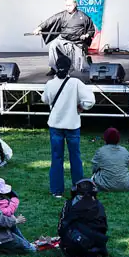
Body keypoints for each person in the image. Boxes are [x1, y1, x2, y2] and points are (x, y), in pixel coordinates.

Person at [42, 50, 95, 198]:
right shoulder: (76, 83)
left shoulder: (50, 83)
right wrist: (82, 107)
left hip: (55, 125)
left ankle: (56, 190)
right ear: (70, 67)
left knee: (56, 158)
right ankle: (79, 188)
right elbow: (90, 100)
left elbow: (44, 99)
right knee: (75, 158)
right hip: (72, 125)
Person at [33, 0, 95, 73]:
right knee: (54, 45)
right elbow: (51, 20)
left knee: (81, 68)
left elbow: (91, 30)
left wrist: (86, 35)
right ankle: (54, 68)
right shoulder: (63, 15)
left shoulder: (83, 16)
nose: (68, 7)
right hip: (63, 40)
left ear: (75, 4)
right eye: (66, 5)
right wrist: (39, 28)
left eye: (70, 5)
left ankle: (87, 61)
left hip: (77, 42)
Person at [58, 179, 109, 257]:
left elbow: (61, 229)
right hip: (97, 246)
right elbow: (104, 228)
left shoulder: (69, 205)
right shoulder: (99, 206)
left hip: (75, 247)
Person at [91, 127, 129, 192]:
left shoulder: (101, 151)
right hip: (127, 185)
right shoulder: (124, 150)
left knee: (94, 177)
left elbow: (94, 168)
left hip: (105, 186)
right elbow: (127, 165)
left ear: (105, 138)